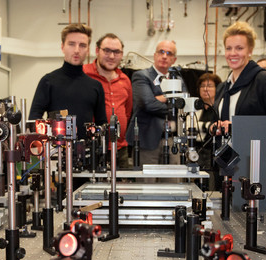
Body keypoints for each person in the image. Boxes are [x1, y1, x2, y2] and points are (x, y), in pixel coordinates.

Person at [29, 23, 107, 139]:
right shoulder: (48, 82)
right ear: (62, 47)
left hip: (88, 154)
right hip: (56, 153)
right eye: (71, 44)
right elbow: (34, 120)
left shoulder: (96, 86)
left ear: (87, 50)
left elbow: (102, 126)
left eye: (82, 45)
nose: (76, 50)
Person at [211, 22, 266, 136]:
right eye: (228, 48)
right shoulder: (222, 87)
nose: (232, 53)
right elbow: (215, 120)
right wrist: (215, 127)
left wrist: (238, 127)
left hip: (255, 151)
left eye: (239, 48)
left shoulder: (264, 81)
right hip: (226, 152)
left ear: (250, 51)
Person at [126, 40, 182, 167]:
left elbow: (183, 107)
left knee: (173, 184)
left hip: (173, 141)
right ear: (155, 55)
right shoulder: (141, 76)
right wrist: (172, 101)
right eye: (161, 52)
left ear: (174, 59)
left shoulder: (179, 80)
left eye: (169, 53)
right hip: (147, 140)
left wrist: (158, 98)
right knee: (147, 184)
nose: (164, 56)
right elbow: (147, 104)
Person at [83, 33, 132, 168]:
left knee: (124, 188)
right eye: (107, 51)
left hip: (120, 149)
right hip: (92, 149)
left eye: (116, 52)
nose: (111, 56)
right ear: (97, 51)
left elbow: (127, 112)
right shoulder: (84, 74)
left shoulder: (125, 80)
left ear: (122, 54)